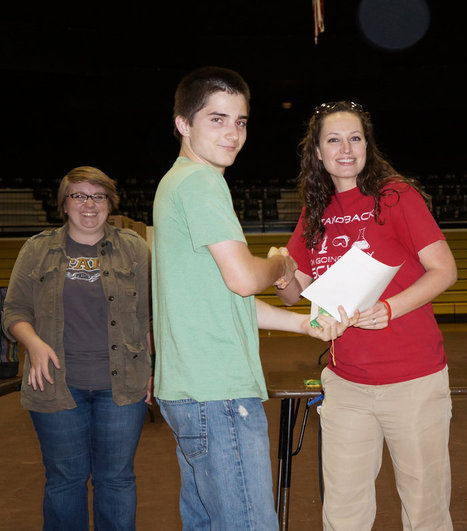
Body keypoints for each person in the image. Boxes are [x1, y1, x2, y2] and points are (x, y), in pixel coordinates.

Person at [152, 66, 356, 530]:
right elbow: (246, 279)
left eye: (240, 121)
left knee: (206, 523)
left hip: (191, 390)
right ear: (183, 123)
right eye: (217, 119)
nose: (232, 133)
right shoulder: (202, 183)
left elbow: (225, 300)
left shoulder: (175, 183)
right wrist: (280, 264)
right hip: (217, 391)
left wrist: (304, 323)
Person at [276, 100, 458, 530]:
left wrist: (390, 308)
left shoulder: (396, 197)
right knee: (343, 512)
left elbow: (445, 270)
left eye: (355, 138)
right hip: (346, 385)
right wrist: (279, 273)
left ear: (367, 146)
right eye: (333, 140)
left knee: (425, 508)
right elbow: (293, 294)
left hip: (413, 380)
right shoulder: (314, 212)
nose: (345, 148)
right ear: (317, 152)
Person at [3, 166, 152, 531]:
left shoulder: (134, 248)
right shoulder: (37, 249)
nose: (89, 204)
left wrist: (150, 373)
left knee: (116, 480)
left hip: (121, 386)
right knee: (65, 481)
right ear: (64, 204)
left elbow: (148, 316)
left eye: (98, 196)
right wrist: (34, 343)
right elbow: (13, 312)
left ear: (109, 203)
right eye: (79, 195)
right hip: (55, 384)